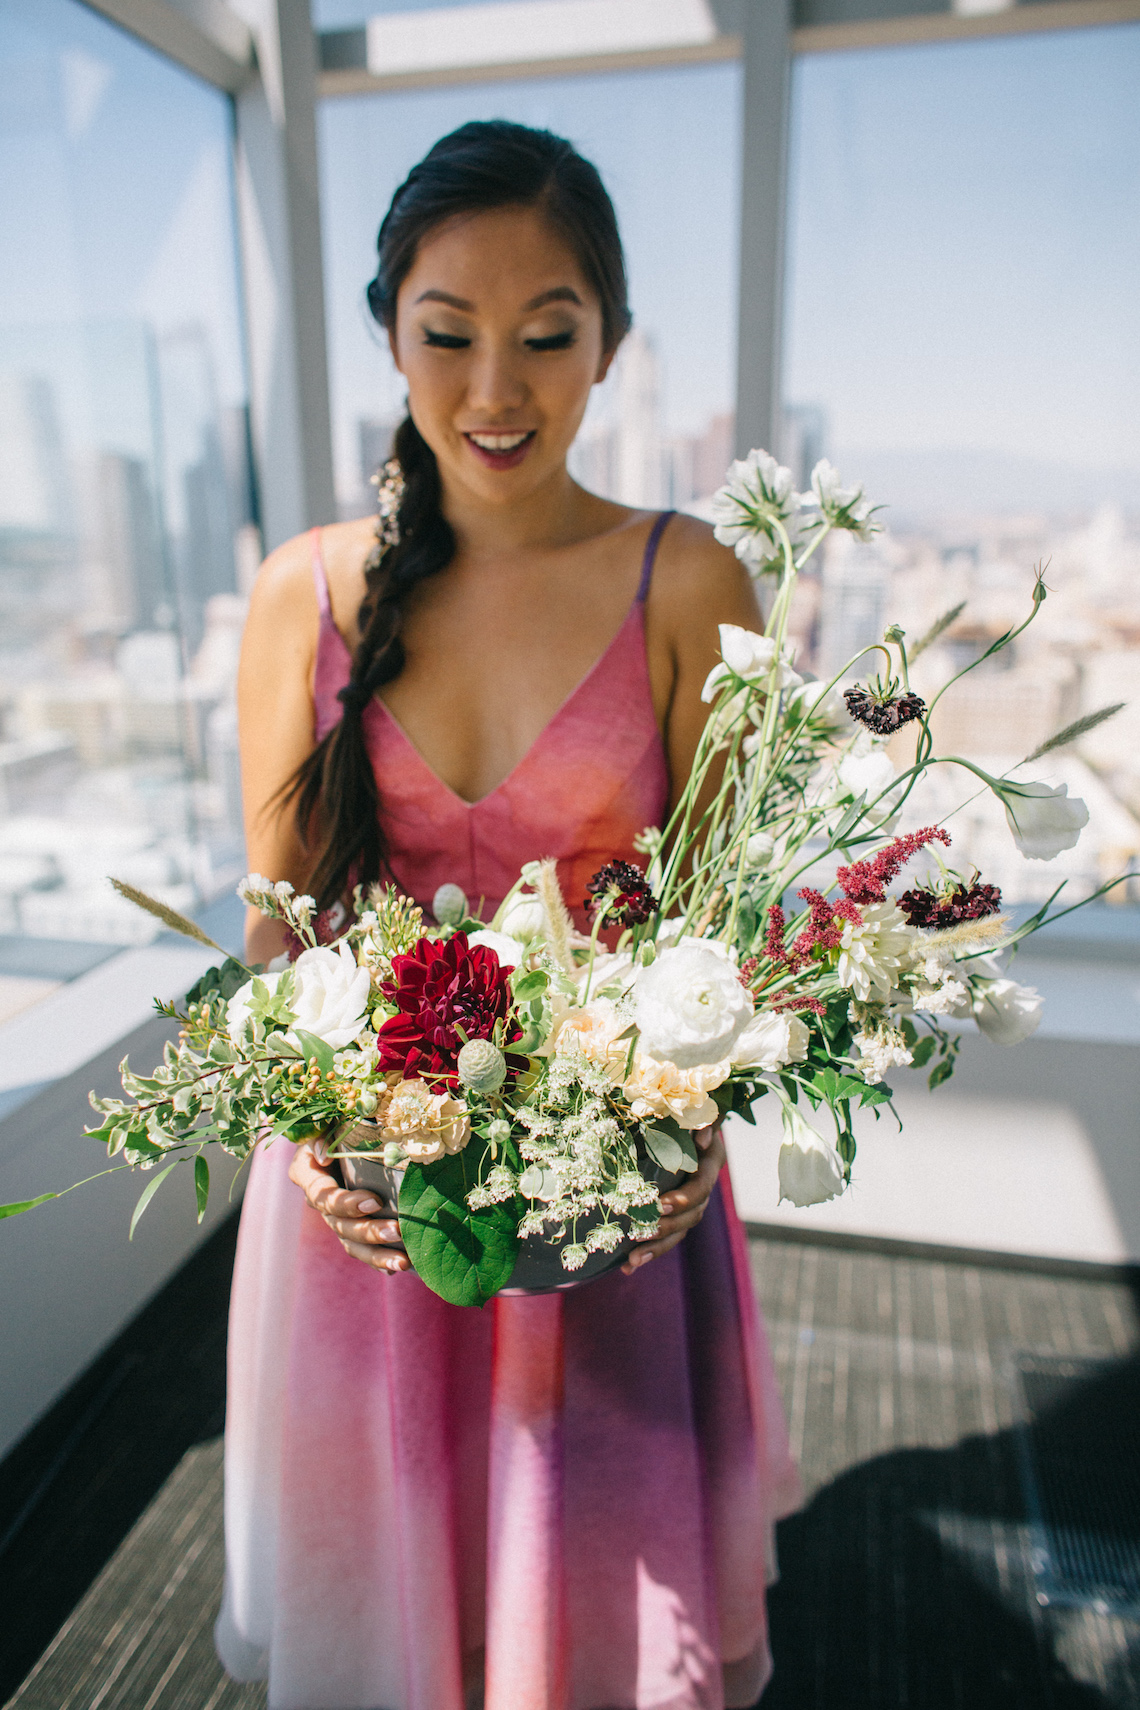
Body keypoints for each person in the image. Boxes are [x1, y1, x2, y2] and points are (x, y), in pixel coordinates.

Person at [218, 119, 800, 1710]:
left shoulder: (693, 584)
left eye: (548, 337)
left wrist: (679, 1146)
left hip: (607, 1211)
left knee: (598, 1626)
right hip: (366, 1204)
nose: (496, 391)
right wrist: (324, 1133)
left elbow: (727, 943)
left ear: (610, 341)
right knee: (387, 1611)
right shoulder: (304, 594)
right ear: (387, 331)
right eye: (447, 335)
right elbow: (280, 937)